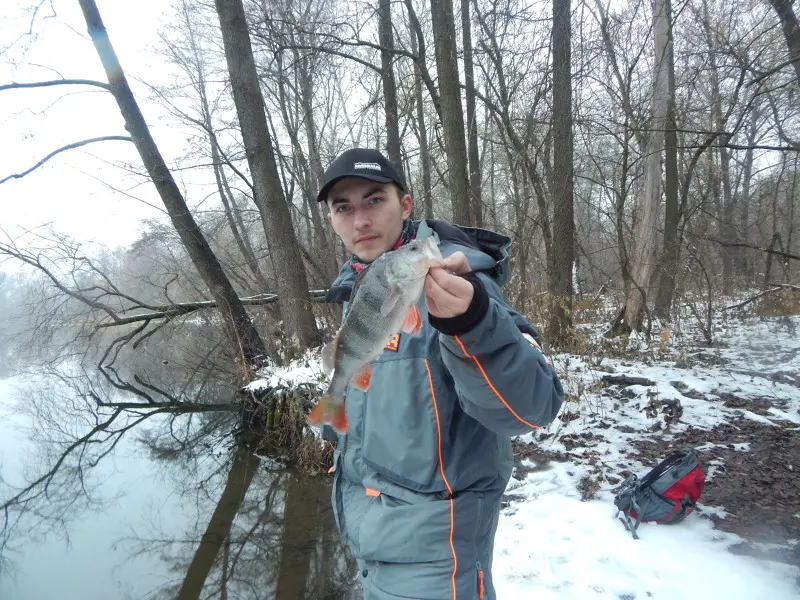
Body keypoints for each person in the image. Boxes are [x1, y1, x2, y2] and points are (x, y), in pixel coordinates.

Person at [317, 148, 564, 600]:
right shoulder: (357, 285)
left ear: (405, 205)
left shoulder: (458, 280)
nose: (360, 221)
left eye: (374, 200)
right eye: (343, 208)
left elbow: (534, 407)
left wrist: (471, 322)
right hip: (371, 538)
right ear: (332, 220)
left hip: (437, 549)